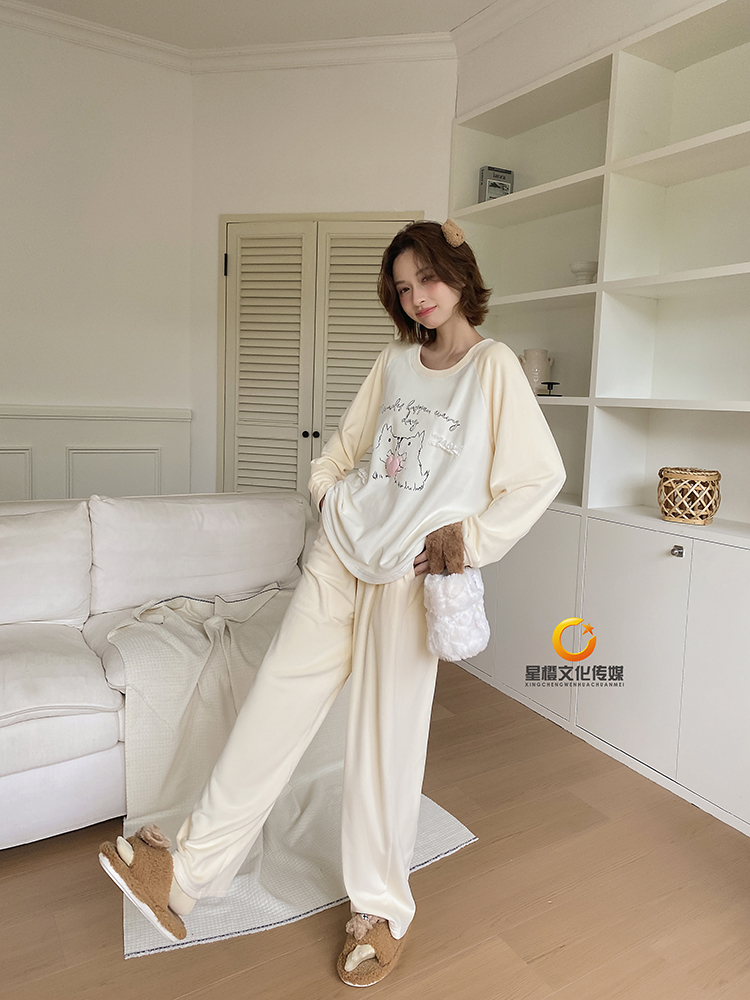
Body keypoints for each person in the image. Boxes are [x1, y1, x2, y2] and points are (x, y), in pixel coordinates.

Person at [98, 220, 566, 987]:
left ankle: (380, 910)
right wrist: (327, 496)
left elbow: (539, 476)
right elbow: (341, 452)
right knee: (273, 707)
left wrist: (466, 541)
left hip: (407, 580)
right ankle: (181, 874)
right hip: (337, 557)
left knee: (385, 745)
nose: (417, 297)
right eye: (404, 288)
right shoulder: (393, 363)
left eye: (427, 278)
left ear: (458, 273)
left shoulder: (495, 369)